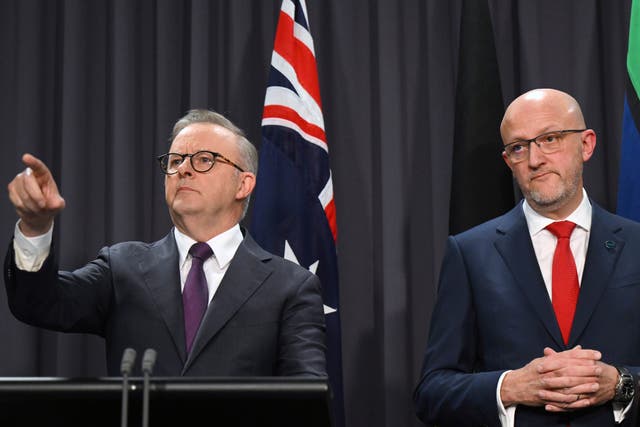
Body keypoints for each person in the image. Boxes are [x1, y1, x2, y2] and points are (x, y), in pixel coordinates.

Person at [4, 109, 326, 377]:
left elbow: (304, 399)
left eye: (204, 160)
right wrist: (35, 226)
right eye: (174, 161)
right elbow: (40, 303)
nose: (183, 169)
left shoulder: (290, 287)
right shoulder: (123, 268)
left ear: (243, 184)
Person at [414, 88, 640, 426]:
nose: (535, 159)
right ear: (508, 161)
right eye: (519, 147)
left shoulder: (636, 244)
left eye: (550, 138)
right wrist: (510, 387)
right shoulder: (470, 253)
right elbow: (432, 392)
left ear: (587, 144)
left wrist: (620, 384)